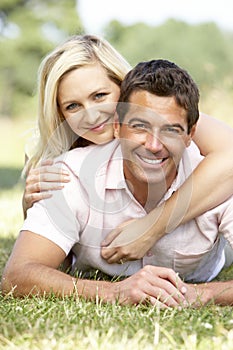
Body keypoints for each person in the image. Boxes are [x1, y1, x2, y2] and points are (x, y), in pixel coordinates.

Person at [2, 59, 233, 306]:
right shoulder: (67, 175)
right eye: (140, 126)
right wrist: (114, 292)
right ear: (117, 126)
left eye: (171, 130)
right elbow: (16, 276)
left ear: (191, 135)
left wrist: (202, 294)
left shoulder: (215, 177)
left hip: (211, 261)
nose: (154, 146)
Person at [22, 35, 233, 263]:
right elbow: (54, 263)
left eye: (100, 96)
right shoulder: (60, 162)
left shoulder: (164, 114)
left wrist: (152, 227)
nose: (92, 116)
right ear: (60, 113)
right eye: (73, 106)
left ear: (122, 86)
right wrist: (29, 207)